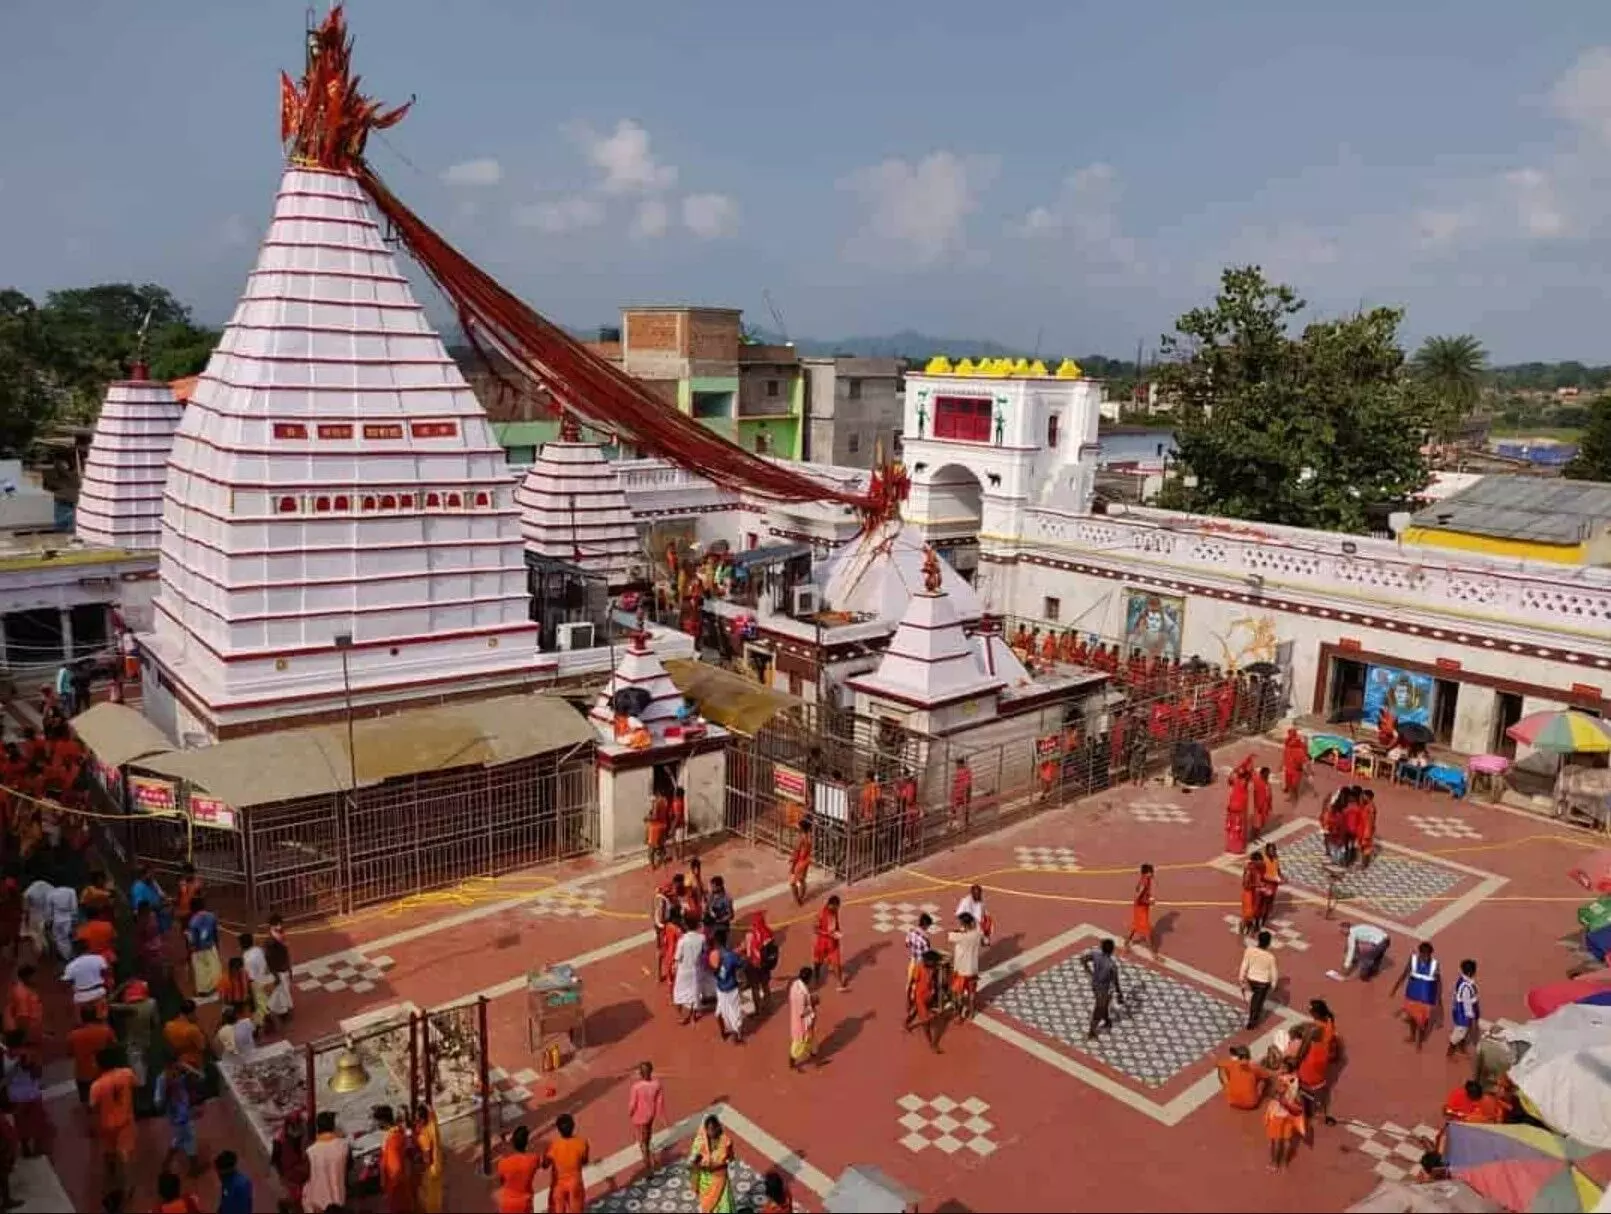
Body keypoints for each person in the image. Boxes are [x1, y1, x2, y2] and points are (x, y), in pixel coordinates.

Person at [89, 1047, 136, 1203]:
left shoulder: (96, 1086)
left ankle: (110, 1182)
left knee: (108, 1154)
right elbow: (136, 1084)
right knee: (124, 1155)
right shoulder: (126, 1074)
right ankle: (127, 1186)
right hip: (125, 1122)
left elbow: (94, 1108)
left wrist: (93, 1128)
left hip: (106, 1125)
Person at [1295, 999, 1338, 1128]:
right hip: (1322, 1058)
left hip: (1312, 1060)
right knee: (1320, 1087)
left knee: (1305, 1085)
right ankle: (1323, 1111)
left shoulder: (1314, 1030)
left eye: (1310, 1009)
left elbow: (1303, 1049)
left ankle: (1308, 1110)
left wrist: (1296, 1061)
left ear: (1316, 1013)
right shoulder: (1330, 1021)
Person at [1391, 941, 1441, 1050]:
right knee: (1412, 1019)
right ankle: (1413, 1036)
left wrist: (1438, 1001)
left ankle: (1419, 1041)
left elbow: (1438, 983)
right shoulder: (1412, 960)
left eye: (1428, 955)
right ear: (1420, 953)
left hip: (1426, 999)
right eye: (1424, 954)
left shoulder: (1435, 965)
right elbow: (1404, 974)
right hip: (1412, 996)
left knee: (1422, 1022)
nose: (1426, 957)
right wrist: (1395, 988)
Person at [2, 1032, 44, 1158]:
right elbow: (37, 1074)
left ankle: (26, 1145)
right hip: (26, 1094)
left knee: (24, 1122)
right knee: (30, 1122)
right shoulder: (28, 1055)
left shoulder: (8, 1056)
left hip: (19, 1094)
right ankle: (29, 1146)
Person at [155, 1060, 199, 1178]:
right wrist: (167, 1095)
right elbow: (158, 1102)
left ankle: (169, 1164)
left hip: (183, 1111)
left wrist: (186, 1067)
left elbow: (198, 1076)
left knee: (185, 1138)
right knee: (184, 1139)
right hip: (177, 1115)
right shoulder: (163, 1080)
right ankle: (169, 1164)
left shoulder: (178, 1074)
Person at [1263, 1058, 1305, 1171]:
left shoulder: (1281, 1080)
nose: (1280, 1069)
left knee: (1276, 1140)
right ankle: (1285, 1163)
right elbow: (1298, 1098)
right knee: (1287, 1140)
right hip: (1290, 1114)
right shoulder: (1295, 1079)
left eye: (1282, 1067)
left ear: (1287, 1069)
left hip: (1278, 1114)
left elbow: (1274, 1094)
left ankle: (1274, 1163)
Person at [68, 1006, 116, 1105]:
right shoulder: (106, 1031)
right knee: (105, 1103)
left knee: (87, 1104)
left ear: (82, 1017)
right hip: (102, 1072)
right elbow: (114, 1047)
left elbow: (69, 1053)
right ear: (95, 1015)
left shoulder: (73, 1035)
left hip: (82, 1074)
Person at [688, 1114, 735, 1213]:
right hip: (706, 1181)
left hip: (720, 1179)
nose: (711, 1132)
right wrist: (696, 1164)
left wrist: (719, 1164)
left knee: (724, 1207)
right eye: (709, 1129)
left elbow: (730, 1158)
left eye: (714, 1128)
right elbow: (693, 1163)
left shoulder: (726, 1141)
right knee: (708, 1207)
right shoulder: (700, 1143)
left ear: (718, 1127)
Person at [304, 1111, 349, 1214]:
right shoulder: (343, 1146)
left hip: (317, 1204)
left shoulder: (310, 1152)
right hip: (339, 1200)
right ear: (333, 1127)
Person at [543, 1112, 589, 1213]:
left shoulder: (554, 1146)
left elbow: (545, 1165)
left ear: (558, 1129)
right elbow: (585, 1161)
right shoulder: (582, 1143)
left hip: (558, 1185)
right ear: (573, 1126)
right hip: (575, 1183)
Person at [1080, 938, 1124, 1039]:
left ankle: (1107, 1021)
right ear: (1112, 950)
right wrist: (1119, 994)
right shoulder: (1111, 965)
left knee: (1103, 1005)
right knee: (1099, 1009)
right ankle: (1092, 1032)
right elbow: (1116, 982)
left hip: (1095, 985)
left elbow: (1083, 959)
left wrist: (1088, 972)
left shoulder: (1095, 953)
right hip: (1103, 990)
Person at [627, 1061, 665, 1175]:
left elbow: (633, 1104)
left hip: (638, 1117)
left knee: (642, 1140)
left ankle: (648, 1165)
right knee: (647, 1135)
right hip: (650, 1115)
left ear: (640, 1073)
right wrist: (661, 1116)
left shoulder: (636, 1087)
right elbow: (660, 1102)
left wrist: (630, 1112)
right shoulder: (657, 1084)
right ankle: (647, 1147)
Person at [493, 1125, 540, 1214]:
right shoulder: (534, 1159)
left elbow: (501, 1182)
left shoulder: (503, 1163)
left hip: (507, 1203)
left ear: (513, 1143)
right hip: (524, 1203)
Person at [374, 1106, 413, 1214]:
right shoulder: (398, 1131)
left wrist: (389, 1183)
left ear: (382, 1121)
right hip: (400, 1178)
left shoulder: (392, 1139)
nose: (377, 1125)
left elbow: (395, 1167)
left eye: (378, 1122)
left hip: (394, 1182)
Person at [710, 928, 746, 1044]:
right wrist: (743, 952)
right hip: (731, 989)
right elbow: (741, 964)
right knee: (736, 1014)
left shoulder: (714, 955)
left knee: (719, 1013)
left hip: (720, 988)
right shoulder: (730, 956)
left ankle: (723, 1032)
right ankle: (737, 1037)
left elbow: (713, 968)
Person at [1238, 930, 1279, 1030]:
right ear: (1269, 943)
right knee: (1257, 1003)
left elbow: (1244, 965)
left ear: (1258, 940)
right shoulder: (1270, 957)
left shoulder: (1249, 950)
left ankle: (1249, 1000)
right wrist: (1273, 985)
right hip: (1263, 983)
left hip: (1250, 979)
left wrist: (1241, 978)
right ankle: (1252, 1021)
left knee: (1253, 999)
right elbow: (1274, 973)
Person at [740, 911, 778, 1012]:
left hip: (753, 965)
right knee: (766, 986)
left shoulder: (749, 935)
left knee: (755, 988)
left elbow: (748, 953)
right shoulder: (769, 933)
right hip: (765, 965)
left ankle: (758, 1009)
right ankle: (768, 1005)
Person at [947, 911, 983, 1021]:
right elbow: (977, 931)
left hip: (962, 971)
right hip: (973, 969)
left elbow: (949, 935)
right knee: (972, 993)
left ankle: (958, 1016)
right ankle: (971, 1013)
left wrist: (960, 931)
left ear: (963, 924)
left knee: (959, 994)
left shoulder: (960, 937)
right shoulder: (977, 935)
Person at [672, 915, 708, 1025]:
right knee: (694, 993)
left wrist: (674, 968)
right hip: (696, 970)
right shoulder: (702, 938)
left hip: (684, 971)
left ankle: (682, 1016)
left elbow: (677, 958)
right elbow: (704, 951)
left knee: (678, 994)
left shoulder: (682, 941)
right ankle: (692, 1017)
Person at [907, 950, 944, 1053]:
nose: (936, 964)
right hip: (920, 998)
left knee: (915, 1011)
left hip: (928, 996)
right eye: (934, 962)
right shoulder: (919, 968)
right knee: (926, 1022)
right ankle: (932, 1044)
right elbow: (911, 983)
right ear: (928, 961)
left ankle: (906, 1023)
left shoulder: (933, 968)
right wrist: (908, 999)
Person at [1216, 1044, 1272, 1111]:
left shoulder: (1231, 1064)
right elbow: (1267, 1076)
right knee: (1262, 1081)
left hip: (1232, 1100)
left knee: (1223, 1070)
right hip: (1251, 1104)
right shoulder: (1253, 1067)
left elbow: (1217, 1064)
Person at [186, 897, 222, 998]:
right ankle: (215, 987)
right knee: (214, 968)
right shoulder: (211, 916)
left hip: (198, 950)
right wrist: (217, 946)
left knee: (201, 971)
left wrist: (190, 951)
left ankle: (203, 991)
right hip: (210, 946)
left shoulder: (192, 922)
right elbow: (215, 933)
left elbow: (192, 940)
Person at [412, 1102, 444, 1214]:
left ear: (422, 1119)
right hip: (438, 1163)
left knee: (428, 1196)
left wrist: (420, 1168)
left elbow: (427, 1158)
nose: (416, 1121)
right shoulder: (433, 1124)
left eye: (418, 1119)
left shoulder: (424, 1135)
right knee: (436, 1193)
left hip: (431, 1169)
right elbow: (432, 1112)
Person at [63, 937, 111, 1011]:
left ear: (74, 951)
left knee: (83, 1020)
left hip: (81, 997)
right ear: (88, 947)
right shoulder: (99, 958)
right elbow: (107, 974)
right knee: (102, 1018)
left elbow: (67, 984)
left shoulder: (71, 965)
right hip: (98, 993)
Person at [813, 895, 847, 992]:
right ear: (831, 905)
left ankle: (840, 983)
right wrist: (827, 934)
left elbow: (836, 924)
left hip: (833, 942)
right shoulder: (820, 913)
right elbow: (815, 929)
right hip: (822, 942)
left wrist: (837, 932)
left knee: (837, 963)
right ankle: (816, 977)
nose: (838, 908)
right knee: (818, 962)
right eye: (837, 906)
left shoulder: (835, 911)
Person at [264, 913, 295, 1022]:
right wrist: (275, 974)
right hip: (279, 970)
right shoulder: (270, 942)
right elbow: (269, 960)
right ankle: (283, 1013)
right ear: (272, 926)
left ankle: (270, 1007)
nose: (280, 927)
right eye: (278, 925)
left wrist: (290, 969)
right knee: (282, 992)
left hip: (284, 968)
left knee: (282, 990)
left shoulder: (281, 937)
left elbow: (286, 954)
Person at [787, 965, 818, 1071]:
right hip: (802, 1022)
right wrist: (813, 1004)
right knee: (799, 1042)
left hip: (799, 1018)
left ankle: (812, 1053)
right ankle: (792, 1060)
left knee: (809, 1038)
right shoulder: (801, 993)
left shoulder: (795, 985)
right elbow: (802, 1012)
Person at [1123, 864, 1158, 956]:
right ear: (1147, 873)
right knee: (1146, 930)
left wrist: (1148, 897)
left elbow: (1137, 890)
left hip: (1142, 907)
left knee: (1135, 925)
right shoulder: (1144, 882)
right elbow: (1138, 898)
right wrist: (1148, 902)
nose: (1153, 873)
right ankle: (1153, 953)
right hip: (1140, 908)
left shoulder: (1147, 880)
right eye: (1151, 872)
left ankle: (1126, 942)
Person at [1449, 959, 1481, 1058]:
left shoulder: (1465, 982)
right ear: (1471, 972)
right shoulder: (1466, 987)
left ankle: (1461, 1048)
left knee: (1464, 1032)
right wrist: (1471, 1017)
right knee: (1459, 1033)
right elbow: (1467, 1004)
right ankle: (1450, 1053)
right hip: (1463, 1015)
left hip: (1460, 1012)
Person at [1, 968, 40, 1049]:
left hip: (21, 1031)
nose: (37, 978)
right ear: (27, 977)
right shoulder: (21, 992)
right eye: (34, 976)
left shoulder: (26, 990)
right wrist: (25, 1036)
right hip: (18, 1032)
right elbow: (22, 1016)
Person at [1224, 760, 1251, 854]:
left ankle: (1231, 847)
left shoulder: (1237, 782)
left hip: (1233, 808)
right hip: (1237, 808)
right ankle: (1236, 848)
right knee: (1236, 828)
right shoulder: (1241, 783)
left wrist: (1237, 770)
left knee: (1232, 828)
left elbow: (1230, 779)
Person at [1256, 843, 1282, 931]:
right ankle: (1256, 922)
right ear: (1266, 851)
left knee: (1269, 904)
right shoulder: (1263, 860)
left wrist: (1281, 877)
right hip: (1265, 884)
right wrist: (1270, 879)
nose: (1272, 852)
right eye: (1270, 850)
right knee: (1261, 903)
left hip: (1274, 884)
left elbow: (1278, 869)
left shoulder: (1276, 858)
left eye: (1274, 850)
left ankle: (1263, 921)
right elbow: (1260, 875)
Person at [1239, 852, 1265, 937]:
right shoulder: (1249, 870)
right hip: (1248, 893)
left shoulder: (1256, 868)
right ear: (1255, 861)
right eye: (1260, 861)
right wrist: (1258, 885)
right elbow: (1246, 885)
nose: (1261, 863)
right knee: (1248, 913)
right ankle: (1242, 927)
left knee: (1254, 910)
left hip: (1253, 892)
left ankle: (1250, 925)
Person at [788, 821, 812, 905]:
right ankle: (802, 895)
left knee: (792, 882)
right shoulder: (809, 837)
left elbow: (797, 852)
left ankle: (798, 899)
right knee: (802, 879)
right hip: (806, 861)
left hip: (800, 862)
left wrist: (792, 865)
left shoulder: (801, 839)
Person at [1281, 727, 1307, 800]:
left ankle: (1293, 796)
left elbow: (1303, 760)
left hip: (1295, 769)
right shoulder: (1288, 744)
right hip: (1289, 767)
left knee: (1293, 784)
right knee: (1290, 783)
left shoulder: (1298, 747)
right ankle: (1291, 794)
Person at [1252, 766, 1274, 836]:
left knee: (1262, 821)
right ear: (1262, 774)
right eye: (1266, 774)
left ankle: (1256, 832)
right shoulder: (1257, 780)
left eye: (1268, 774)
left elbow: (1270, 795)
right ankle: (1255, 834)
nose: (1267, 775)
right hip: (1258, 805)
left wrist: (1270, 805)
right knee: (1257, 822)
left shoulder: (1267, 783)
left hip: (1265, 805)